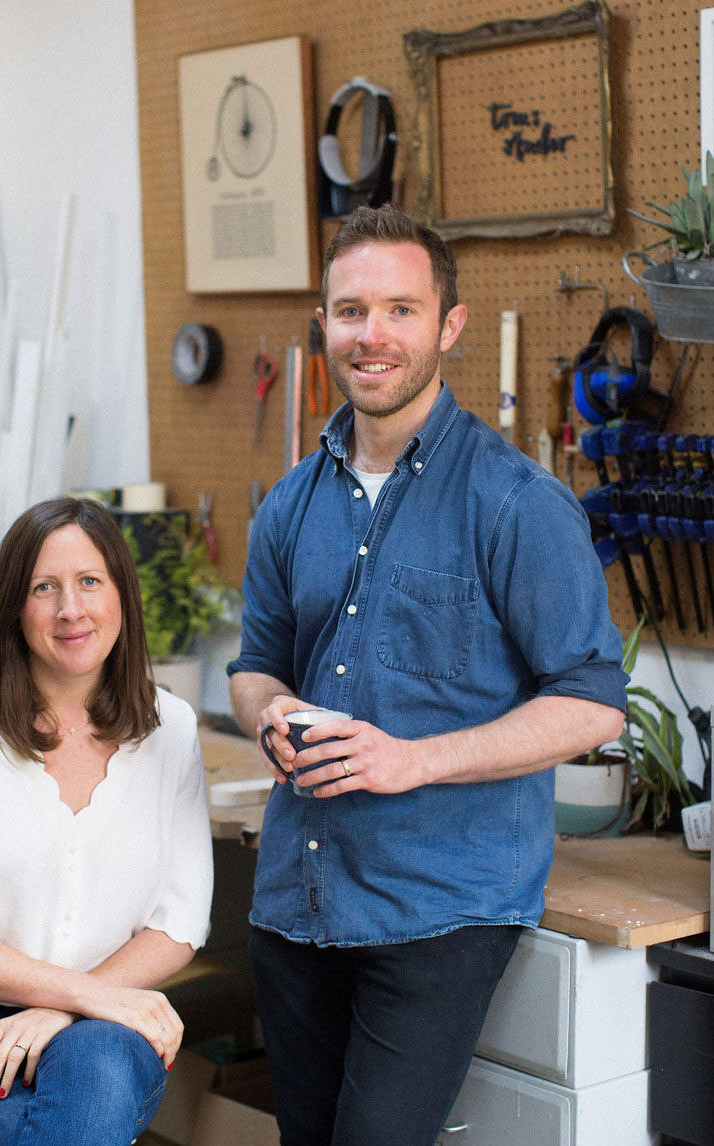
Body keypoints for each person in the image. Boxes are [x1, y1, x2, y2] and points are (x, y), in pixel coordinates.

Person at [228, 203, 627, 1146]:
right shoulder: (290, 504)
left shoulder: (517, 503)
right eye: (351, 310)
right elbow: (252, 667)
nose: (373, 335)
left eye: (400, 310)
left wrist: (412, 761)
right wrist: (271, 709)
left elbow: (592, 705)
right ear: (322, 325)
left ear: (447, 325)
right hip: (297, 897)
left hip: (437, 909)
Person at [0, 496, 214, 1146]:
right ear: (15, 609)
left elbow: (177, 923)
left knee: (93, 1083)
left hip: (100, 1028)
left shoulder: (172, 729)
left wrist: (65, 1006)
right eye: (43, 588)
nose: (70, 608)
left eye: (88, 582)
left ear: (121, 596)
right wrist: (82, 995)